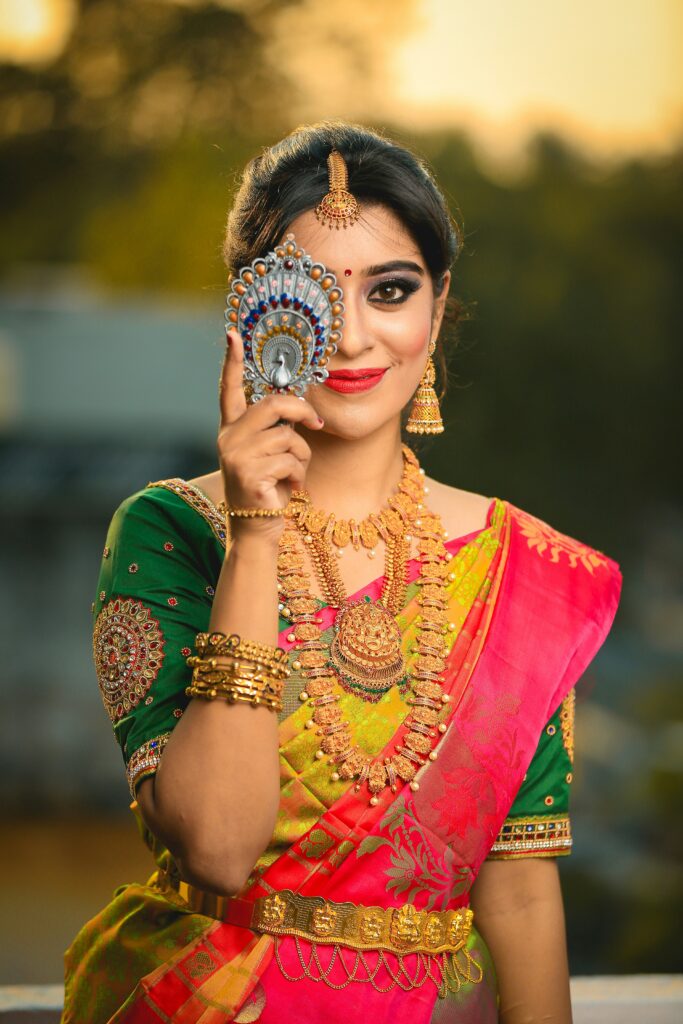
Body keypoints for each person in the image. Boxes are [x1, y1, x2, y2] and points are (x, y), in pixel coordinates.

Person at [61, 121, 621, 1024]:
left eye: (390, 290)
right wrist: (255, 536)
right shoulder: (171, 531)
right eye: (310, 296)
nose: (354, 337)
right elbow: (217, 847)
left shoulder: (525, 568)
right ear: (249, 315)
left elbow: (518, 893)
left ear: (437, 307)